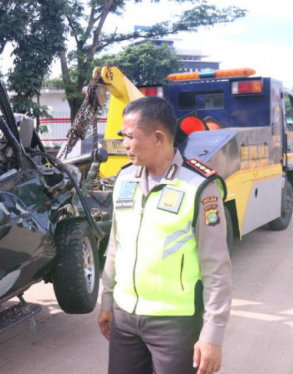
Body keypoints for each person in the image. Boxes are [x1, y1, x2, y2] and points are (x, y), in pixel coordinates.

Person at [97, 96, 232, 374]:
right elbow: (115, 246)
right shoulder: (125, 179)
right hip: (124, 319)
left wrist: (213, 334)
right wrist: (107, 301)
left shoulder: (198, 187)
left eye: (129, 137)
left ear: (158, 137)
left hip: (175, 325)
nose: (123, 144)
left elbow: (216, 268)